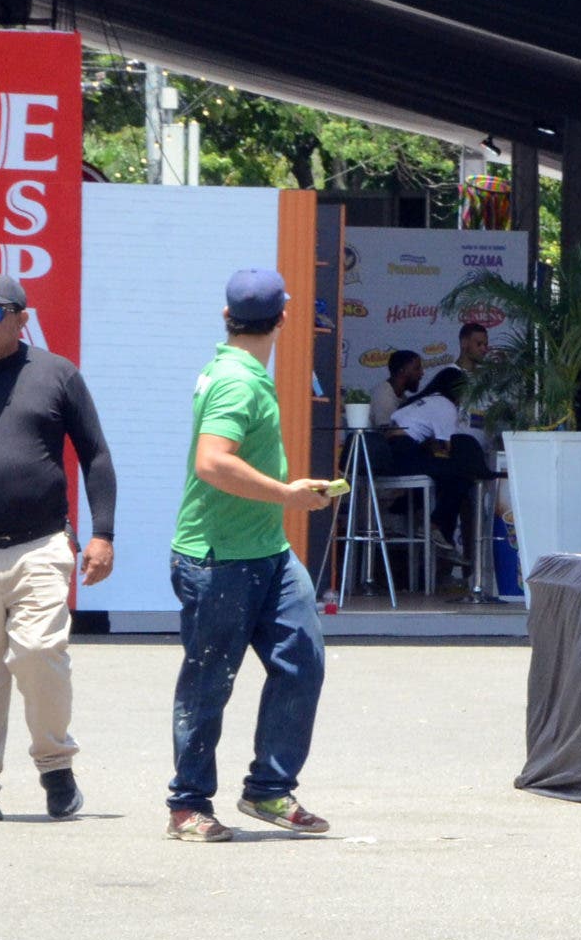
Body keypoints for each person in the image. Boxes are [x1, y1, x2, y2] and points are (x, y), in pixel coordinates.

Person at [0, 272, 118, 825]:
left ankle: (55, 765)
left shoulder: (56, 375)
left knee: (38, 654)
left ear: (21, 318)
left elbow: (96, 456)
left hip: (39, 545)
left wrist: (104, 532)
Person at [167, 268, 340, 844]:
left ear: (226, 316)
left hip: (266, 549)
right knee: (209, 682)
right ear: (284, 319)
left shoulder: (236, 369)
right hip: (219, 558)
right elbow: (212, 462)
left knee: (302, 660)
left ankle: (268, 787)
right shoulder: (237, 381)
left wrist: (282, 501)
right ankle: (188, 804)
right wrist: (288, 495)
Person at [380, 367, 494, 569]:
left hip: (391, 452)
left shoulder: (426, 400)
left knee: (444, 476)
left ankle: (409, 510)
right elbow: (450, 447)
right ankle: (434, 525)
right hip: (404, 453)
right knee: (461, 475)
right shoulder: (445, 406)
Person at [368, 349, 422, 424]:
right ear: (402, 371)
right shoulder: (384, 397)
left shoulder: (400, 396)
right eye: (417, 369)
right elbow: (388, 434)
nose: (422, 373)